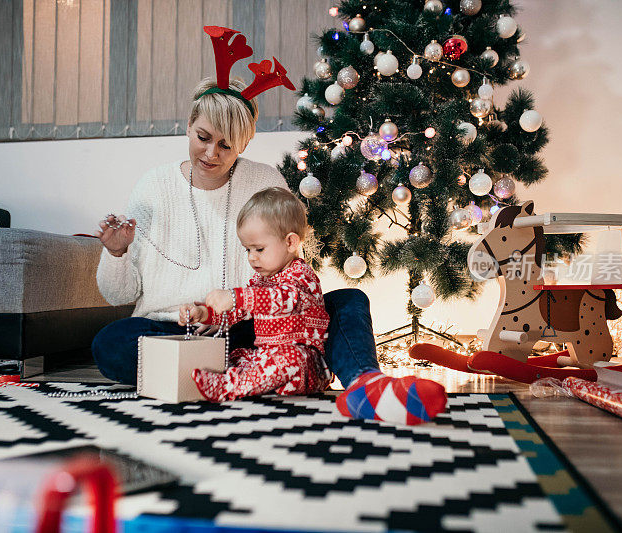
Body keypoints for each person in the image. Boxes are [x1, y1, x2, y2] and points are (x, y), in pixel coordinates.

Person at [92, 72, 446, 424]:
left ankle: (365, 386)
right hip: (176, 332)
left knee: (348, 302)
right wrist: (117, 253)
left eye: (226, 145)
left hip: (257, 330)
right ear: (188, 125)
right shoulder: (153, 187)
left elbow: (294, 283)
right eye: (203, 137)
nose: (211, 153)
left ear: (243, 144)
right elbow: (119, 294)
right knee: (109, 344)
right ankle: (258, 374)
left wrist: (241, 302)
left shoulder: (264, 182)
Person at [178, 187, 329, 402]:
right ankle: (251, 381)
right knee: (238, 356)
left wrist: (236, 296)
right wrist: (204, 313)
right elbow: (237, 313)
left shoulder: (301, 276)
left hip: (305, 362)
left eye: (259, 249)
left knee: (291, 359)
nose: (251, 258)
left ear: (290, 242)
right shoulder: (261, 280)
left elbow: (284, 299)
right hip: (267, 356)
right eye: (247, 250)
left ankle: (230, 387)